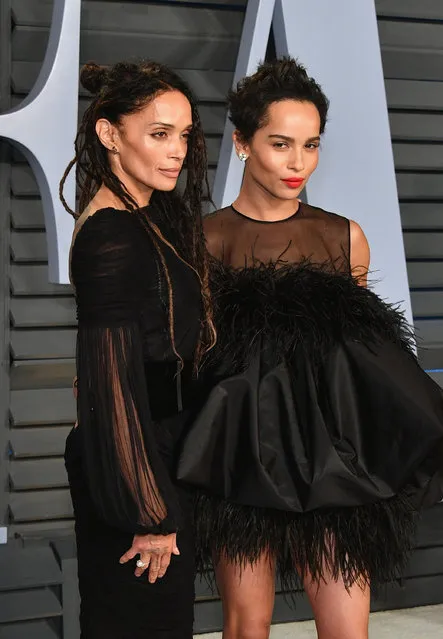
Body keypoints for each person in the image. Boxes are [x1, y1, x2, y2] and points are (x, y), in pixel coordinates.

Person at [178, 57, 443, 639]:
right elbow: (192, 363)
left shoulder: (343, 238)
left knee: (348, 631)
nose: (299, 163)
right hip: (241, 464)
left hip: (332, 466)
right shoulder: (204, 242)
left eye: (311, 144)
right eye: (280, 144)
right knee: (248, 627)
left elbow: (363, 366)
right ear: (243, 144)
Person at [61, 59, 215, 638]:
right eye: (158, 134)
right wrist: (148, 514)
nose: (177, 150)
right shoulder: (110, 234)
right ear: (109, 134)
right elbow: (111, 383)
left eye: (183, 135)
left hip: (153, 451)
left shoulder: (142, 218)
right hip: (132, 465)